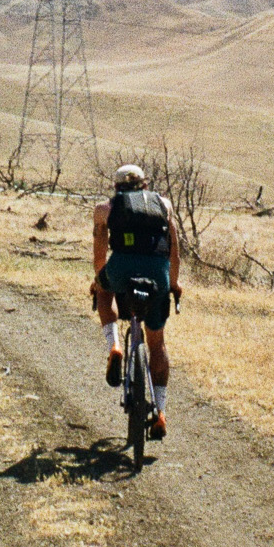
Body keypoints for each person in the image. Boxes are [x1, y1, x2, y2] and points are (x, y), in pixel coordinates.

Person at [92, 163, 181, 439]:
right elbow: (174, 252)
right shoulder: (163, 205)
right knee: (157, 342)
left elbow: (99, 252)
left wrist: (99, 279)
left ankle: (115, 345)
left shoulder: (104, 209)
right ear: (145, 185)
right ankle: (161, 412)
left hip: (121, 267)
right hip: (158, 275)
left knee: (104, 293)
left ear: (116, 187)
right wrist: (174, 284)